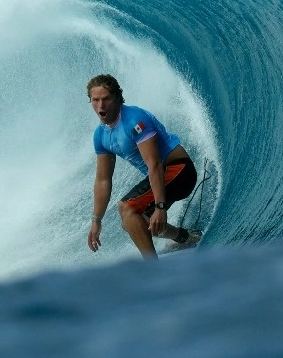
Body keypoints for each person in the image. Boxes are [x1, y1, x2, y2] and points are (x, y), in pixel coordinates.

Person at [85, 74, 201, 259]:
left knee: (127, 208)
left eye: (106, 99)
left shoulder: (135, 120)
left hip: (179, 171)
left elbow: (154, 164)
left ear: (117, 98)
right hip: (163, 177)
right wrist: (96, 220)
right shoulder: (101, 135)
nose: (101, 106)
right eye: (95, 100)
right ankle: (187, 238)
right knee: (136, 224)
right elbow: (103, 180)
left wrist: (160, 207)